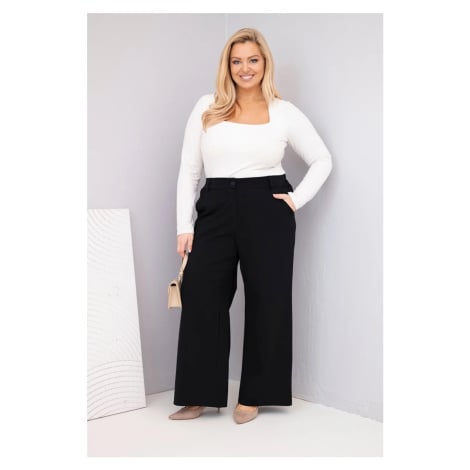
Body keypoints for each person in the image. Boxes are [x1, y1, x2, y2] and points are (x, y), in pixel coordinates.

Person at [169, 27, 332, 424]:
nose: (245, 68)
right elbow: (189, 170)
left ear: (265, 64)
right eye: (237, 61)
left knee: (268, 301)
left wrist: (294, 200)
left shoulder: (283, 111)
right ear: (227, 66)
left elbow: (322, 159)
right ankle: (198, 395)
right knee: (202, 298)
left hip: (267, 208)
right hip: (216, 206)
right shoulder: (207, 106)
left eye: (253, 60)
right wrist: (183, 225)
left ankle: (255, 396)